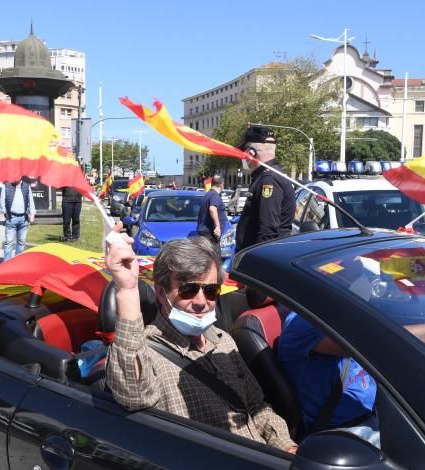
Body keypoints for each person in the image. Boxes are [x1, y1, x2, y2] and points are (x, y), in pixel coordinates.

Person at [104, 230, 297, 453]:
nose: (201, 301)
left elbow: (256, 406)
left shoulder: (224, 341)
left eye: (211, 290)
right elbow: (133, 396)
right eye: (188, 289)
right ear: (160, 293)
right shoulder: (146, 352)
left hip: (264, 461)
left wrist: (287, 448)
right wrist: (127, 289)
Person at [279, 309, 425, 447]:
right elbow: (373, 344)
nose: (360, 277)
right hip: (346, 434)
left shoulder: (338, 311)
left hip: (379, 413)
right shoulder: (303, 323)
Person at [235, 125, 295, 251]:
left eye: (243, 152)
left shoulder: (269, 179)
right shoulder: (267, 176)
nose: (242, 157)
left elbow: (268, 231)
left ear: (251, 153)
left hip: (257, 258)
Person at [0, 177, 36, 262]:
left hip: (23, 219)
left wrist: (32, 214)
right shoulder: (6, 186)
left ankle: (17, 262)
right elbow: (2, 202)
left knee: (21, 242)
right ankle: (7, 265)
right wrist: (5, 212)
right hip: (11, 218)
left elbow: (31, 201)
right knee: (9, 243)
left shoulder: (26, 186)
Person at [197, 175, 228, 245]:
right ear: (221, 185)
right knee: (214, 255)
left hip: (206, 233)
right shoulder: (214, 195)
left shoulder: (207, 195)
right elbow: (212, 209)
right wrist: (218, 226)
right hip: (210, 234)